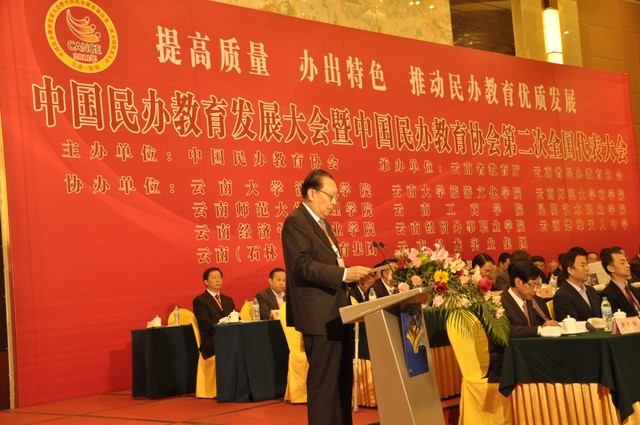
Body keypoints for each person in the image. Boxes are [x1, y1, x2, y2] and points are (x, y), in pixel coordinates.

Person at [281, 169, 370, 425]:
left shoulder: (323, 224)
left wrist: (354, 279)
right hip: (319, 318)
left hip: (337, 314)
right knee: (324, 386)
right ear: (312, 193)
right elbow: (301, 266)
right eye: (331, 196)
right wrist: (345, 274)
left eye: (336, 197)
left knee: (341, 382)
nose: (334, 203)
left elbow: (331, 266)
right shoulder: (296, 221)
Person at [500, 261, 558, 338]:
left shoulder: (528, 298)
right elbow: (505, 330)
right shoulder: (500, 302)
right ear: (518, 282)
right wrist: (539, 329)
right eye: (532, 285)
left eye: (537, 285)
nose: (535, 290)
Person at [193, 267, 236, 359]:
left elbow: (235, 318)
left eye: (219, 277)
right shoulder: (200, 300)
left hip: (230, 338)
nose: (218, 280)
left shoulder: (228, 300)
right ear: (206, 282)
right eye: (213, 277)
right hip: (213, 340)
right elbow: (205, 323)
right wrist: (222, 323)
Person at [553, 250, 601, 321]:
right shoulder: (562, 295)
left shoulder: (591, 290)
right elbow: (570, 324)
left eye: (587, 264)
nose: (587, 269)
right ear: (570, 270)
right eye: (582, 265)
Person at [600, 247, 640, 317]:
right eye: (622, 263)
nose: (628, 265)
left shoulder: (634, 290)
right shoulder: (608, 294)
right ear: (611, 268)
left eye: (626, 261)